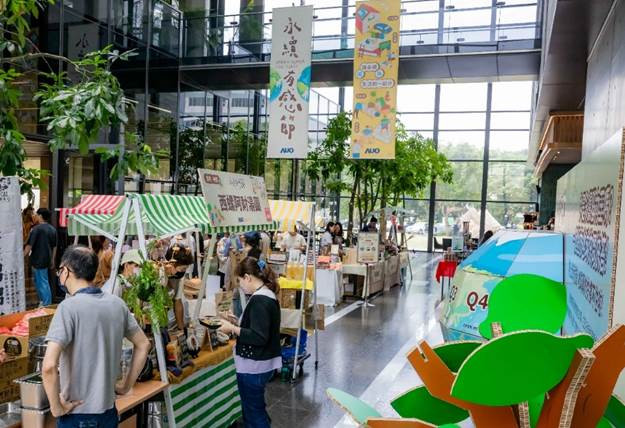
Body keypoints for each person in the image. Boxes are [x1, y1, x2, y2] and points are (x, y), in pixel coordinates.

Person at [42, 245, 151, 426]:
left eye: (60, 270)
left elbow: (48, 367)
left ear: (66, 271)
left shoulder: (68, 308)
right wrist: (126, 386)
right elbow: (143, 344)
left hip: (77, 414)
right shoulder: (117, 304)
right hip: (108, 412)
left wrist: (56, 408)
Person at [218, 257, 281, 428]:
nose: (240, 286)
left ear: (247, 277)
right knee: (256, 409)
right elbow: (259, 326)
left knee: (254, 413)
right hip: (262, 363)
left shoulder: (260, 299)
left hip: (255, 365)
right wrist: (237, 322)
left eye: (239, 281)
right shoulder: (267, 295)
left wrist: (232, 328)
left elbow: (259, 336)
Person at [24, 208, 57, 306]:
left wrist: (22, 256)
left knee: (42, 282)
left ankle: (46, 304)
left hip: (38, 260)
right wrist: (52, 259)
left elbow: (29, 246)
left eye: (37, 215)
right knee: (41, 282)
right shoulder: (53, 229)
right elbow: (54, 246)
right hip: (47, 259)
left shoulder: (36, 229)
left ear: (41, 216)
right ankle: (43, 302)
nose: (35, 216)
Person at [164, 244, 194, 331]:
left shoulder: (179, 277)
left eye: (186, 269)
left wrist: (181, 329)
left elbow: (178, 301)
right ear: (171, 264)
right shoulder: (160, 275)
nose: (183, 272)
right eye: (182, 269)